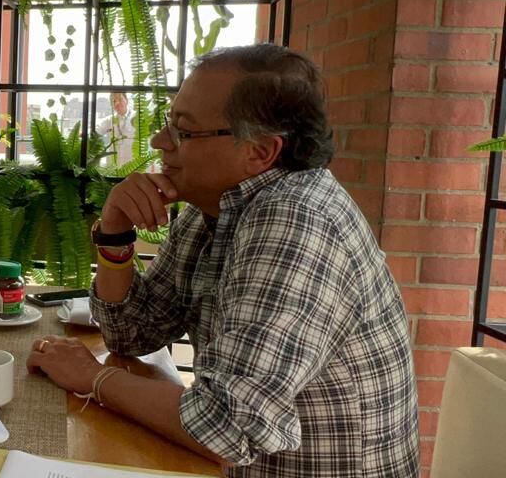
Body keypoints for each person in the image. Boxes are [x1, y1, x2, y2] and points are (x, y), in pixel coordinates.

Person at [27, 44, 419, 477]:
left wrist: (91, 378)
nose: (159, 142)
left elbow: (223, 426)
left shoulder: (297, 223)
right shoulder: (210, 211)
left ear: (260, 152)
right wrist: (115, 231)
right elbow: (131, 333)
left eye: (183, 131)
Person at [96, 91, 135, 165]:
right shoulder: (109, 120)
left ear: (126, 100)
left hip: (133, 165)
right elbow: (96, 130)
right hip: (114, 166)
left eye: (120, 99)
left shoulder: (137, 117)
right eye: (114, 101)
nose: (117, 103)